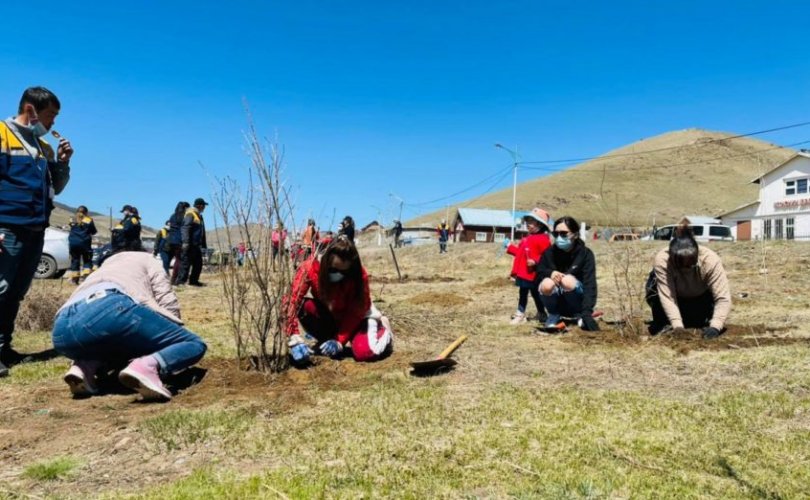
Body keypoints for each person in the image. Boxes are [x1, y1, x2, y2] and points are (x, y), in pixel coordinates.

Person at [51, 242, 207, 401]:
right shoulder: (147, 258)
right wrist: (171, 340)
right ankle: (145, 368)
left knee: (114, 340)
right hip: (110, 306)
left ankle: (84, 367)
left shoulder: (105, 266)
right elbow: (165, 297)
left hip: (61, 330)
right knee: (194, 343)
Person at [0, 87, 72, 376]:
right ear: (31, 111)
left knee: (16, 291)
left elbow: (56, 188)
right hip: (7, 226)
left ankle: (4, 348)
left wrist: (63, 163)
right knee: (0, 288)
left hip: (35, 229)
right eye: (50, 116)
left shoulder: (45, 149)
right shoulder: (2, 135)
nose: (53, 123)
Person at [285, 236, 392, 364]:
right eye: (333, 269)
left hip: (360, 319)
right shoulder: (309, 267)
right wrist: (294, 336)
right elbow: (291, 300)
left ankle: (384, 330)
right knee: (304, 306)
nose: (338, 275)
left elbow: (356, 312)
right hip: (333, 316)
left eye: (344, 272)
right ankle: (328, 339)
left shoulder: (358, 275)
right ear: (325, 262)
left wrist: (339, 341)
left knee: (366, 352)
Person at [646, 223, 731, 338]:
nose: (685, 270)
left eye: (689, 265)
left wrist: (715, 327)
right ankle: (663, 322)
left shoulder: (710, 260)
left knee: (696, 321)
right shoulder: (663, 260)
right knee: (653, 284)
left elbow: (722, 297)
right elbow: (667, 297)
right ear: (671, 257)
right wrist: (678, 327)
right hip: (673, 296)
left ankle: (697, 317)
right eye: (680, 266)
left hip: (700, 298)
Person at [537, 216, 600, 331]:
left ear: (575, 235)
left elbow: (590, 285)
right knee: (546, 283)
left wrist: (586, 313)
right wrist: (550, 273)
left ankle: (579, 315)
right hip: (557, 301)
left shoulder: (586, 254)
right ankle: (553, 315)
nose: (559, 237)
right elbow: (539, 272)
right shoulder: (549, 253)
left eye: (564, 233)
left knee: (567, 280)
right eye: (556, 234)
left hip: (577, 300)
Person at [506, 208, 552, 324]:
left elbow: (547, 256)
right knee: (523, 293)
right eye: (527, 221)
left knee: (536, 294)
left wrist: (535, 261)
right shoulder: (527, 238)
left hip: (533, 273)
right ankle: (523, 313)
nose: (528, 224)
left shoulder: (543, 239)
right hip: (523, 273)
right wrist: (509, 247)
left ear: (540, 224)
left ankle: (537, 314)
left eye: (531, 222)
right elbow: (520, 254)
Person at [176, 198, 208, 286]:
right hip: (189, 244)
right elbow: (185, 228)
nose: (205, 207)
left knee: (198, 264)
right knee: (185, 263)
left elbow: (202, 231)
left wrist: (203, 245)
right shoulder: (191, 214)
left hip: (196, 245)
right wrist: (185, 242)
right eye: (204, 205)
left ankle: (194, 281)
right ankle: (181, 282)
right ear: (200, 206)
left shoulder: (199, 216)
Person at [67, 206, 97, 284]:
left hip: (73, 243)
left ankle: (74, 279)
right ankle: (85, 278)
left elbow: (72, 227)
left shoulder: (72, 219)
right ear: (86, 212)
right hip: (84, 243)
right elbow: (94, 231)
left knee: (75, 260)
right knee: (87, 260)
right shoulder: (89, 220)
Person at [166, 201, 189, 283]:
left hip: (171, 240)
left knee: (169, 260)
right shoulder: (184, 217)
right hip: (179, 241)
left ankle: (167, 278)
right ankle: (174, 279)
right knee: (179, 260)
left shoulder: (172, 216)